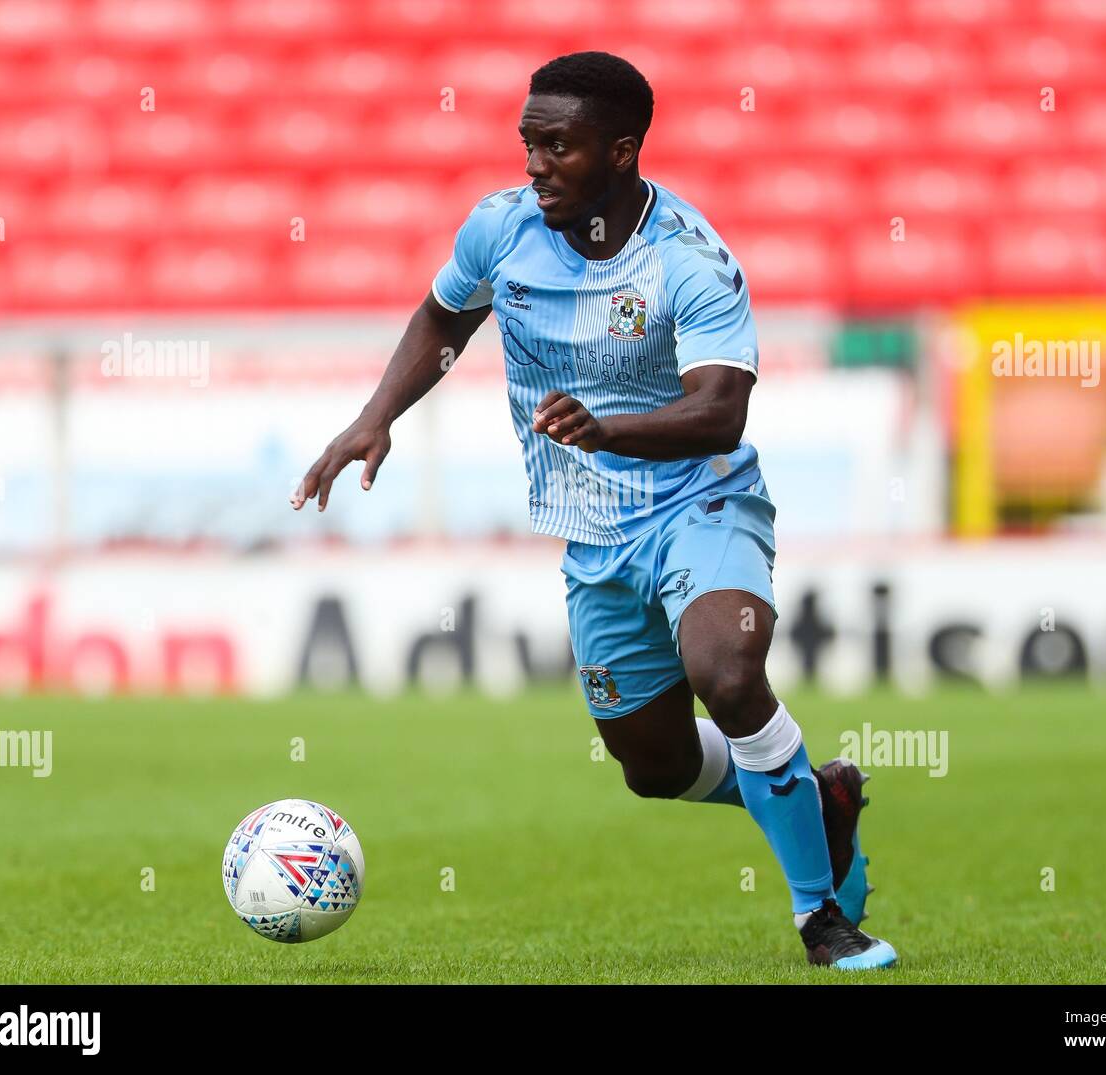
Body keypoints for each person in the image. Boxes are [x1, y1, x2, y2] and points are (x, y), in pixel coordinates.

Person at [293, 50, 895, 970]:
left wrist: (609, 430)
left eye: (557, 146)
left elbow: (720, 409)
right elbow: (444, 317)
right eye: (528, 143)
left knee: (727, 674)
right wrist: (373, 421)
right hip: (591, 532)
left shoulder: (689, 259)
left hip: (703, 502)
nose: (534, 165)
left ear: (620, 152)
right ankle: (822, 798)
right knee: (651, 768)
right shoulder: (500, 230)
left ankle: (823, 918)